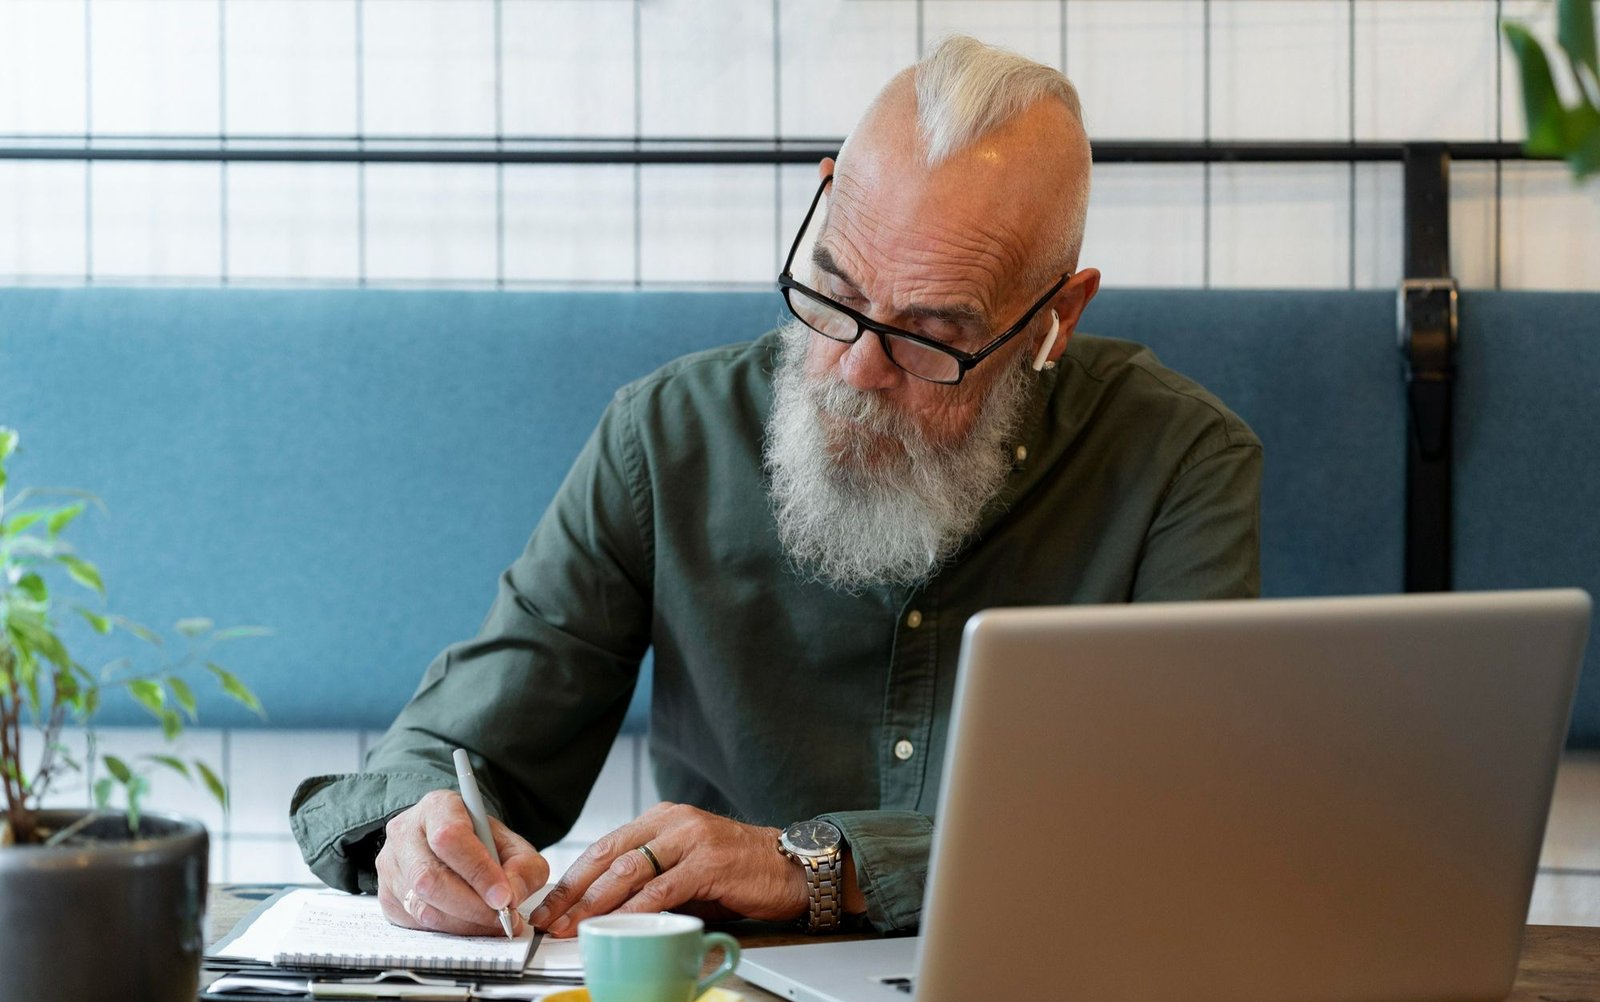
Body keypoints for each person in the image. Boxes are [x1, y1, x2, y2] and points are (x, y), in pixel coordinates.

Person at [290, 35, 1261, 940]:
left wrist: (816, 865)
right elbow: (467, 740)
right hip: (726, 999)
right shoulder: (665, 437)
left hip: (1048, 984)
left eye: (931, 335)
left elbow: (1191, 816)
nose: (855, 370)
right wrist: (423, 828)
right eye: (835, 291)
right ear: (826, 199)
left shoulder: (1180, 461)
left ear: (1056, 318)